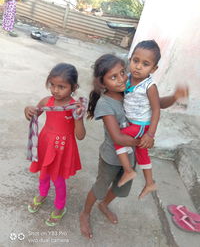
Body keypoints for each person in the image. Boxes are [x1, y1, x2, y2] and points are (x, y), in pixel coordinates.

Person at [79, 53, 189, 239]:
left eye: (122, 72)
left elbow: (157, 104)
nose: (122, 79)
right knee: (100, 186)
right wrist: (145, 140)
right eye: (113, 77)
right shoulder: (106, 104)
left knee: (120, 188)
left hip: (130, 157)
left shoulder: (129, 89)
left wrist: (175, 96)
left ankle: (104, 204)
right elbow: (118, 137)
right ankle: (85, 213)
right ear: (102, 83)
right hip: (111, 158)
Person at [24, 63, 86, 226]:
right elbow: (33, 115)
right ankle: (42, 194)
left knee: (58, 181)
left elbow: (80, 136)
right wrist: (28, 110)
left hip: (62, 148)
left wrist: (79, 118)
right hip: (45, 144)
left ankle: (59, 207)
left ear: (74, 87)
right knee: (43, 174)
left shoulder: (74, 107)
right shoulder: (47, 100)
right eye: (52, 85)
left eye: (61, 87)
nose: (55, 90)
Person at [114, 40, 161, 199]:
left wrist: (150, 134)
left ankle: (128, 170)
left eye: (145, 64)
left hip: (141, 125)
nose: (138, 66)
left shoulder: (150, 86)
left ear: (154, 69)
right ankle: (149, 183)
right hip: (133, 123)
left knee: (118, 138)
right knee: (142, 154)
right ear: (130, 59)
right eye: (136, 61)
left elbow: (156, 110)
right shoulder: (127, 78)